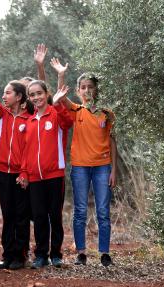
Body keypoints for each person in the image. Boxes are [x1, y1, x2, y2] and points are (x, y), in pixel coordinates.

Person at [50, 58, 118, 267]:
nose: (87, 90)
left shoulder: (107, 114)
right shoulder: (76, 110)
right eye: (83, 87)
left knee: (103, 211)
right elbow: (60, 97)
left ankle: (105, 253)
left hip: (102, 167)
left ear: (96, 90)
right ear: (78, 90)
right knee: (80, 210)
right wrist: (61, 73)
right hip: (80, 166)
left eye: (90, 87)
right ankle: (81, 253)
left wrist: (113, 170)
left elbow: (112, 142)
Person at [0, 58, 33, 270]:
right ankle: (7, 255)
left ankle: (20, 256)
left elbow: (29, 150)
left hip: (21, 174)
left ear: (19, 97)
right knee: (8, 215)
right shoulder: (3, 115)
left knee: (21, 216)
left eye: (8, 92)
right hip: (3, 172)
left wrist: (25, 173)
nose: (4, 95)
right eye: (5, 92)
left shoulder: (29, 119)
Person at [17, 81, 73, 269]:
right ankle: (41, 255)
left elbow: (68, 123)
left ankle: (56, 254)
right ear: (29, 98)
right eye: (32, 95)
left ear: (46, 93)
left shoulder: (55, 114)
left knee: (54, 216)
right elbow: (26, 151)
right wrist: (24, 172)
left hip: (55, 175)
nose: (36, 98)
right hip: (34, 177)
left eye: (39, 93)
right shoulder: (30, 121)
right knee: (39, 216)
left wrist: (58, 103)